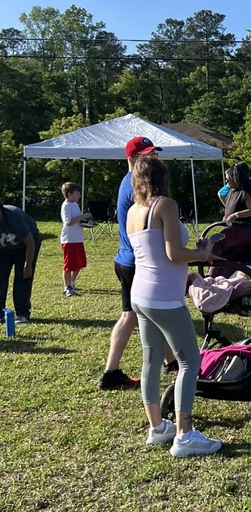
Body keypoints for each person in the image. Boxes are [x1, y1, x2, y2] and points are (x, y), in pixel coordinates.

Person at [127, 155, 222, 457]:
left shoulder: (133, 210)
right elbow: (172, 254)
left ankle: (158, 427)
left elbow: (154, 251)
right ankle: (184, 434)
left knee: (151, 361)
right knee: (189, 362)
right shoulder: (165, 205)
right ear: (162, 176)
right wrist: (204, 255)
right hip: (164, 297)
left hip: (140, 295)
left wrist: (193, 253)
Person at [99, 135, 164, 390]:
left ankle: (111, 372)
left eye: (154, 154)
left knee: (132, 316)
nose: (153, 159)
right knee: (154, 314)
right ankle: (112, 372)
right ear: (132, 158)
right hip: (136, 261)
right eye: (147, 155)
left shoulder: (131, 181)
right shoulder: (135, 184)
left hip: (127, 258)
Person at [0, 202, 41, 326]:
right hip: (3, 250)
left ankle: (22, 314)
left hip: (25, 247)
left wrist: (27, 265)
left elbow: (30, 242)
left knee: (22, 277)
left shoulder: (13, 216)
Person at [60, 182, 91, 297]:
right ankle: (67, 287)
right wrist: (84, 216)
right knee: (69, 265)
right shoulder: (66, 205)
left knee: (79, 263)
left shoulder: (75, 205)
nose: (79, 196)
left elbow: (77, 222)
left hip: (78, 238)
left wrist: (87, 223)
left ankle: (72, 283)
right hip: (69, 240)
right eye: (77, 193)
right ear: (69, 194)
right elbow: (68, 222)